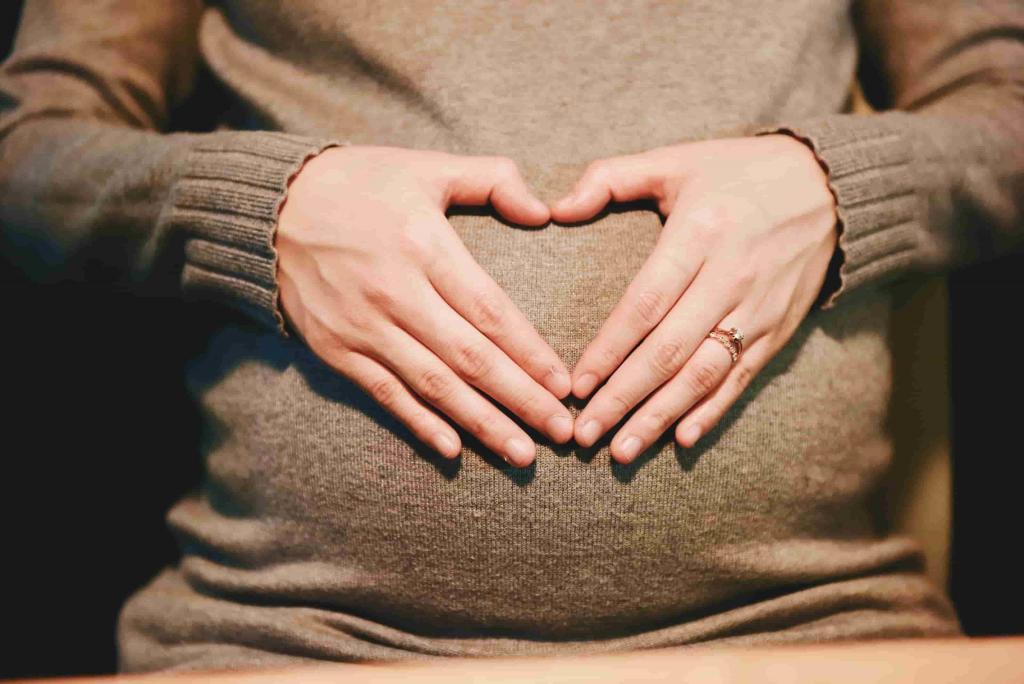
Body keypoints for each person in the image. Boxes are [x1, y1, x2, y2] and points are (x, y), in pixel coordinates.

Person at [1, 0, 1021, 674]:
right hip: (289, 641)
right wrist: (257, 208)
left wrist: (838, 186)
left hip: (806, 635)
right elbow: (28, 157)